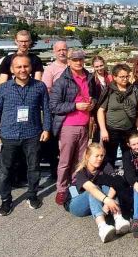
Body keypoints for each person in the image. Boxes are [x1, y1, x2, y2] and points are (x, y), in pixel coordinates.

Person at [0, 55, 51, 216]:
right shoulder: (4, 88)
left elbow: (46, 109)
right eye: (19, 67)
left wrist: (46, 129)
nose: (23, 70)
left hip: (32, 134)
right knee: (5, 170)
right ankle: (5, 200)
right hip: (8, 135)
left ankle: (32, 195)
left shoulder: (39, 86)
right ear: (12, 70)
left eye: (26, 66)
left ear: (30, 68)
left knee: (34, 168)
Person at [48, 49, 94, 206]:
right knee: (65, 160)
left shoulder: (89, 77)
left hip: (85, 125)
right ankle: (61, 189)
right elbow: (53, 106)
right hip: (68, 125)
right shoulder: (62, 81)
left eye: (81, 59)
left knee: (80, 160)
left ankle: (76, 184)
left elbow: (93, 96)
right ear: (68, 61)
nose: (78, 62)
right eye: (75, 60)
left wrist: (92, 104)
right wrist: (75, 106)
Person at [68, 143, 131, 243]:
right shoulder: (81, 171)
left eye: (102, 155)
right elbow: (92, 188)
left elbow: (116, 182)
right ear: (88, 156)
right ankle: (102, 227)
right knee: (95, 188)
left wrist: (107, 202)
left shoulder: (105, 165)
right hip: (77, 205)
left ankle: (118, 218)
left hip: (97, 203)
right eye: (96, 156)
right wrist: (107, 200)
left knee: (108, 184)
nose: (100, 158)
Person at [98, 63, 138, 167]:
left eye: (127, 76)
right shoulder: (109, 91)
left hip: (129, 129)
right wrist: (103, 129)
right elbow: (100, 110)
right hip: (112, 129)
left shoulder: (133, 89)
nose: (125, 79)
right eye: (122, 77)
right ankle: (110, 177)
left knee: (128, 155)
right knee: (110, 156)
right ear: (114, 77)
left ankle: (129, 177)